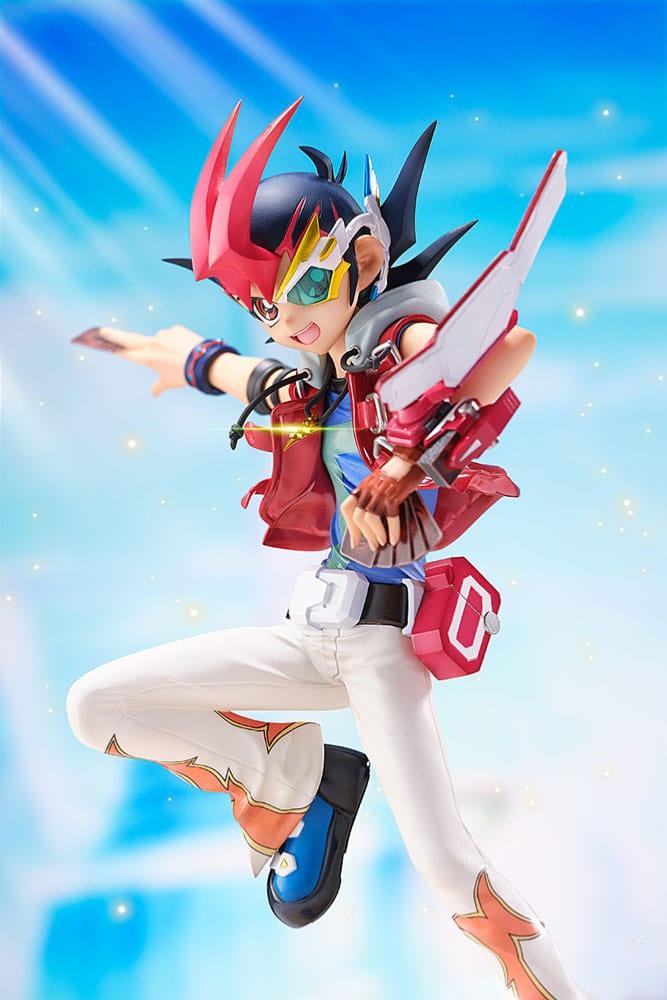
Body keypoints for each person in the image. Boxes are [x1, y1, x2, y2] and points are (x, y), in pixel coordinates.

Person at [66, 98, 588, 998]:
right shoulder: (311, 383)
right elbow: (233, 368)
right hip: (311, 631)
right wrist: (167, 353)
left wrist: (407, 460)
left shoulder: (402, 346)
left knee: (447, 868)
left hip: (384, 644)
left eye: (303, 288)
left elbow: (511, 346)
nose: (284, 317)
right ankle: (293, 775)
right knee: (96, 706)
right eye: (262, 303)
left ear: (364, 261)